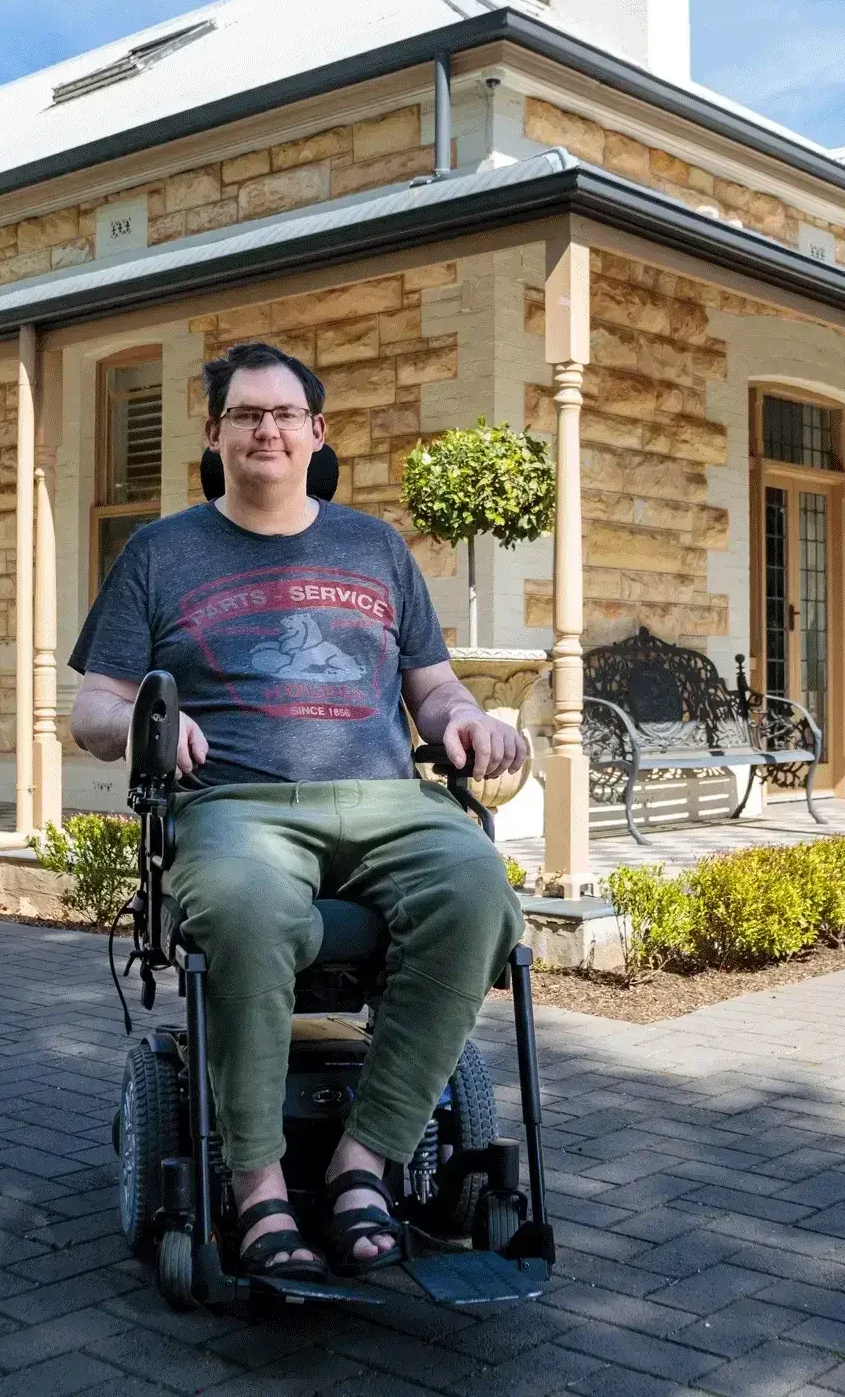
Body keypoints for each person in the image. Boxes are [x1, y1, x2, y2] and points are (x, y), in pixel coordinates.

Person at [69, 341, 530, 1282]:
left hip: (386, 801)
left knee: (478, 886)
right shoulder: (160, 553)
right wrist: (152, 722)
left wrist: (470, 719)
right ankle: (257, 1182)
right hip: (236, 808)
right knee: (248, 909)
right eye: (245, 414)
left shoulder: (376, 547)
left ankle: (368, 1159)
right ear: (215, 432)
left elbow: (433, 690)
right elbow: (93, 710)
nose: (265, 429)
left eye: (284, 414)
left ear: (317, 433)